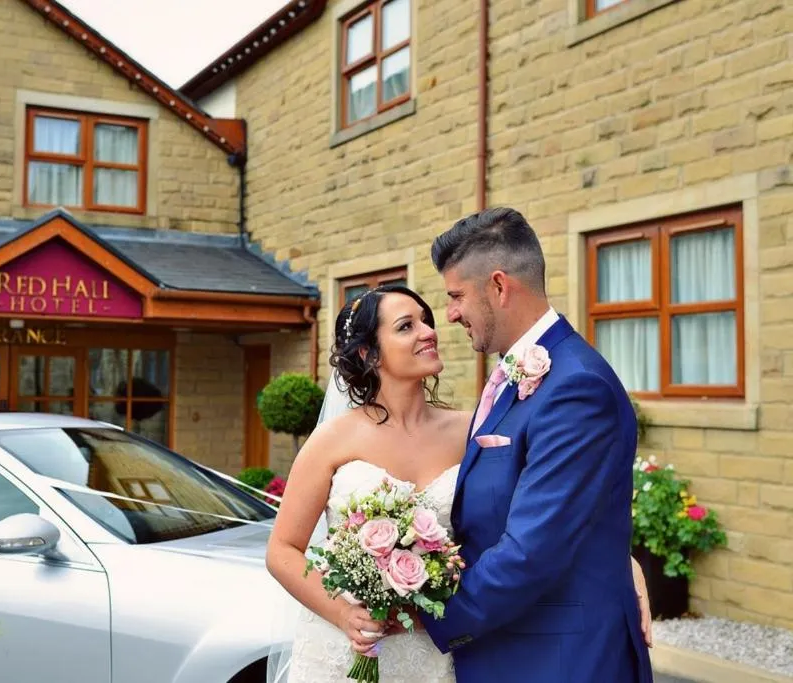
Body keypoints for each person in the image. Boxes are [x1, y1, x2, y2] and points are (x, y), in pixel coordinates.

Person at [265, 276, 653, 682]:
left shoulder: (473, 431)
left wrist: (623, 563)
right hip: (345, 647)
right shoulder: (332, 439)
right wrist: (344, 614)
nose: (428, 332)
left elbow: (549, 509)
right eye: (406, 326)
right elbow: (283, 549)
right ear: (369, 353)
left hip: (432, 642)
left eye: (426, 320)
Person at [416, 207, 654, 683]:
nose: (450, 313)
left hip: (561, 661)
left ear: (500, 286)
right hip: (513, 648)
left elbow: (532, 550)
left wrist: (425, 617)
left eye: (456, 295)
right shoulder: (514, 374)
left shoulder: (575, 388)